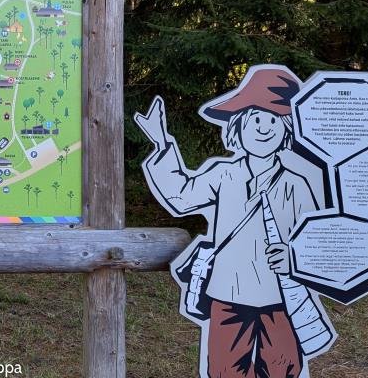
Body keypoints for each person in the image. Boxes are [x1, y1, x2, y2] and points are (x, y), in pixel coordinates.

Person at [135, 66, 322, 378]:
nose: (264, 128)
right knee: (224, 370)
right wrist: (162, 144)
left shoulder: (295, 184)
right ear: (238, 128)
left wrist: (294, 257)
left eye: (273, 120)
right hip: (227, 295)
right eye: (256, 120)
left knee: (282, 369)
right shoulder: (224, 174)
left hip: (280, 297)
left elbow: (313, 236)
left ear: (286, 130)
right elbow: (181, 195)